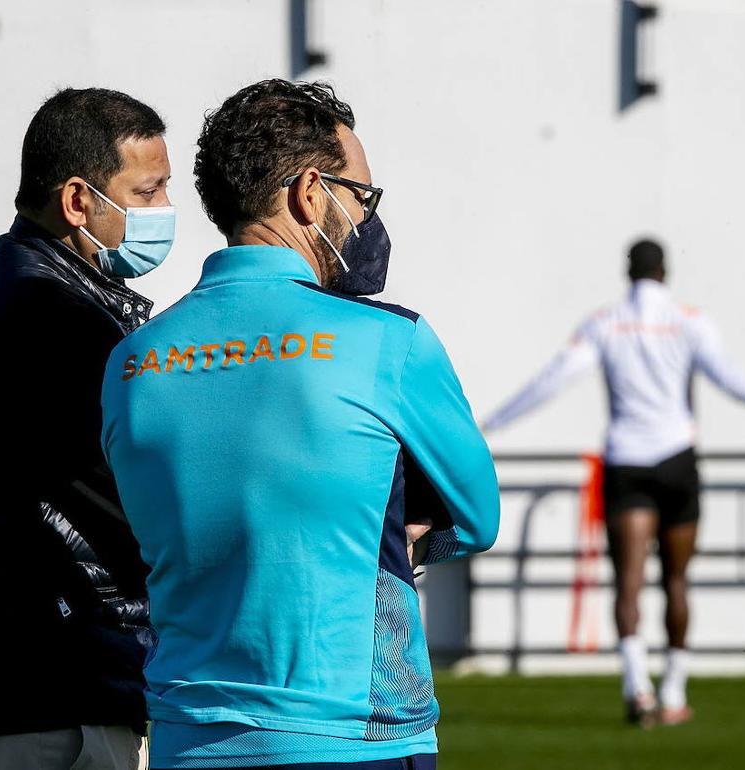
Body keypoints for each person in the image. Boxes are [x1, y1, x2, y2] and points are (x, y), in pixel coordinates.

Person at [100, 79, 500, 770]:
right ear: (311, 192)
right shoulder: (389, 339)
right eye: (363, 197)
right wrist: (406, 542)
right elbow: (477, 518)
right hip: (354, 735)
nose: (367, 219)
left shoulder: (131, 359)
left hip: (185, 736)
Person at [480, 239, 745, 725]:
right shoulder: (689, 320)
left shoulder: (605, 323)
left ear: (627, 271)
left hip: (626, 462)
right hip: (676, 461)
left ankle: (638, 689)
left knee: (628, 583)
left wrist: (488, 425)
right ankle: (673, 693)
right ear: (665, 271)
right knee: (676, 580)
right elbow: (734, 379)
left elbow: (553, 379)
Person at [0, 87, 176, 769]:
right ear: (78, 201)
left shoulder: (37, 289)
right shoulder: (44, 309)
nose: (163, 212)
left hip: (29, 675)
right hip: (37, 684)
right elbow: (129, 500)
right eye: (147, 192)